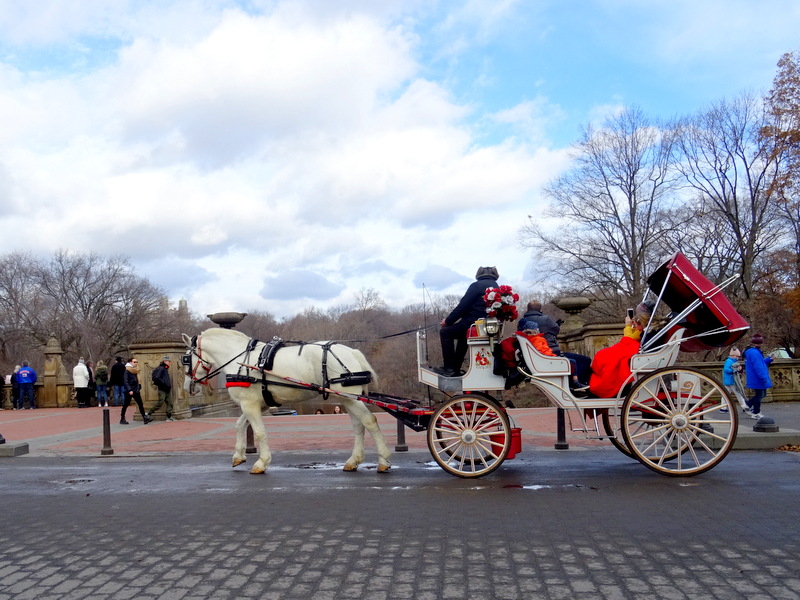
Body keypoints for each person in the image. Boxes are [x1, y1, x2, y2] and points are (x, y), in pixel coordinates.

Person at [436, 266, 499, 377]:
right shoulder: (496, 286)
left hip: (473, 322)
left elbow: (462, 307)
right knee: (462, 336)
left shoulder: (476, 286)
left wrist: (448, 321)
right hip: (486, 325)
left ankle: (450, 368)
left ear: (479, 274)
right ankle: (455, 368)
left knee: (445, 332)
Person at [517, 300, 591, 387]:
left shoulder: (522, 322)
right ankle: (577, 385)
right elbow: (556, 330)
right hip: (550, 353)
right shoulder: (546, 319)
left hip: (534, 357)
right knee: (585, 360)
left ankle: (573, 384)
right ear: (540, 310)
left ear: (527, 310)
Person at [588, 312, 648, 398]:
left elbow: (629, 338)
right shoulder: (641, 331)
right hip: (629, 347)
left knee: (606, 356)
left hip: (630, 348)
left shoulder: (641, 331)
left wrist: (627, 326)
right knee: (604, 355)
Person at [743, 334, 773, 420]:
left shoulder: (753, 352)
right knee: (760, 395)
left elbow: (760, 363)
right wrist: (763, 377)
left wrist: (769, 359)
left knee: (761, 394)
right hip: (757, 378)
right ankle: (755, 412)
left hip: (756, 377)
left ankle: (748, 405)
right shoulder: (755, 353)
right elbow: (758, 366)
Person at [121, 357, 152, 425]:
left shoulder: (136, 370)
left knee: (140, 404)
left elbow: (137, 380)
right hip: (129, 391)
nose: (136, 363)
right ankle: (122, 418)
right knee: (126, 405)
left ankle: (144, 417)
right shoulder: (127, 370)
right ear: (130, 363)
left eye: (137, 362)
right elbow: (125, 381)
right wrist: (129, 390)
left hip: (136, 390)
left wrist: (138, 387)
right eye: (134, 362)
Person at [146, 356, 174, 421]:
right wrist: (164, 383)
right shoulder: (162, 368)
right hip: (162, 389)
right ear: (165, 361)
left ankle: (169, 416)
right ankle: (149, 413)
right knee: (160, 402)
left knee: (170, 403)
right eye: (169, 361)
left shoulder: (165, 368)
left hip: (167, 389)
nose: (170, 362)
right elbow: (157, 378)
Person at [721, 347, 748, 413]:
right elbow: (727, 370)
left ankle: (723, 408)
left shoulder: (729, 361)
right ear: (733, 356)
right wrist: (735, 370)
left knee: (726, 394)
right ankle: (744, 406)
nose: (738, 358)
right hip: (732, 380)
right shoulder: (729, 361)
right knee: (738, 393)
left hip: (728, 380)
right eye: (737, 356)